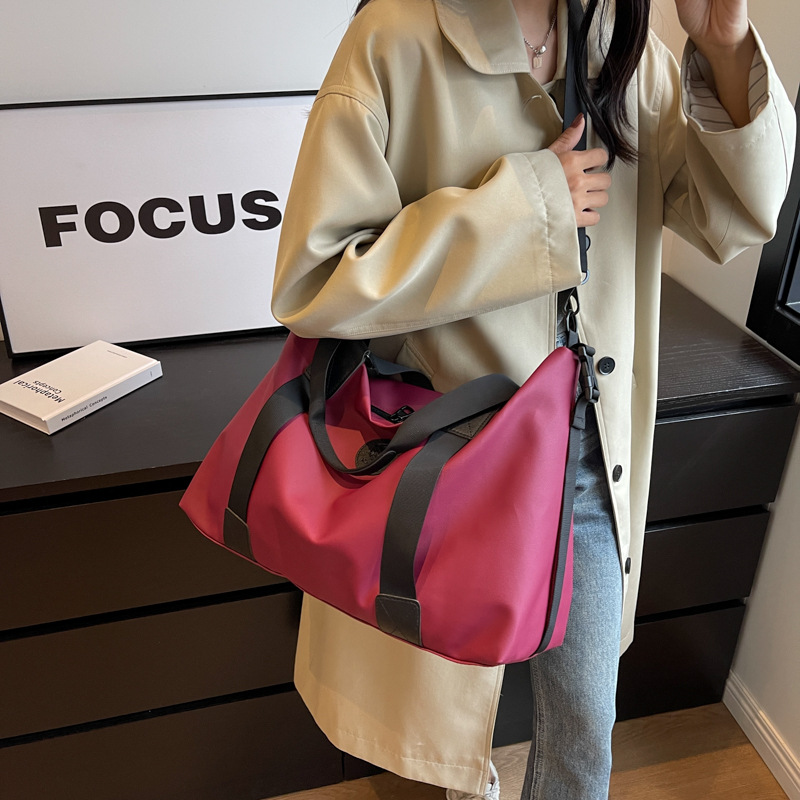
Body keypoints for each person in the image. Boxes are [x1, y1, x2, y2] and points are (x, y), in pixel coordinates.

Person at [271, 0, 795, 798]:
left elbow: (733, 217)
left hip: (587, 458)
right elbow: (316, 281)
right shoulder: (396, 35)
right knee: (442, 735)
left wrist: (725, 48)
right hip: (443, 464)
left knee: (585, 734)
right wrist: (525, 207)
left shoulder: (623, 45)